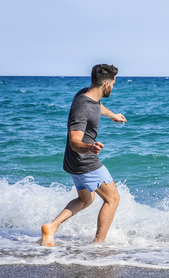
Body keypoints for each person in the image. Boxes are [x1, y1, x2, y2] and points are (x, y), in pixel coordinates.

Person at [41, 63, 127, 247]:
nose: (113, 86)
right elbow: (74, 141)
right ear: (105, 84)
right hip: (84, 159)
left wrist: (113, 115)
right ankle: (99, 245)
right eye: (113, 83)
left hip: (73, 161)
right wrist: (90, 148)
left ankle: (51, 227)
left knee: (86, 199)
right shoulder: (82, 108)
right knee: (113, 199)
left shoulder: (84, 94)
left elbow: (97, 106)